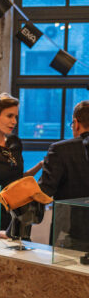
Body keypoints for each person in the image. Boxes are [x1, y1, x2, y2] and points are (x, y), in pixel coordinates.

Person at [0, 93, 43, 230]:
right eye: (9, 116)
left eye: (16, 117)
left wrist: (40, 165)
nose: (14, 121)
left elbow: (18, 178)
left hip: (18, 214)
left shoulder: (14, 143)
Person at [40, 100, 89, 247]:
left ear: (76, 123)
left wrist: (14, 230)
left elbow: (42, 192)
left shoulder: (60, 150)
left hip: (70, 233)